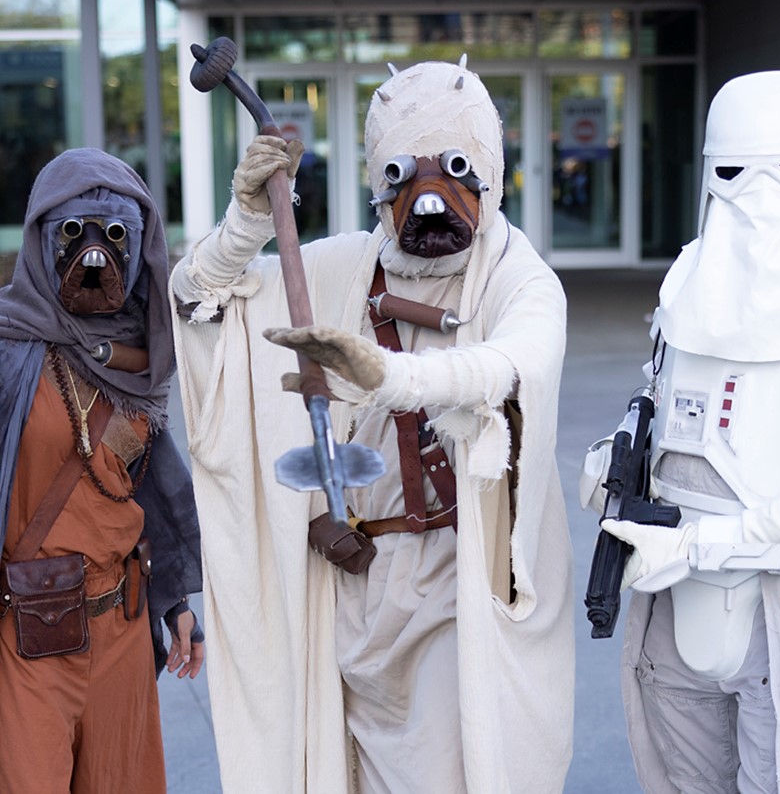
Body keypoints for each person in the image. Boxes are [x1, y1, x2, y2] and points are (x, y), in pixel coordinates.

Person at [170, 59, 573, 793]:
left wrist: (396, 378)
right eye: (403, 173)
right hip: (352, 589)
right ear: (376, 182)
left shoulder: (517, 275)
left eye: (452, 169)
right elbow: (200, 303)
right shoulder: (345, 270)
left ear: (489, 169)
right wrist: (246, 223)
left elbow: (517, 363)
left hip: (458, 588)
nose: (427, 200)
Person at [581, 70, 780, 793]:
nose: (757, 193)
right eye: (733, 171)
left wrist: (705, 543)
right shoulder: (690, 277)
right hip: (674, 610)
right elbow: (663, 400)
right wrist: (615, 457)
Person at [0, 148, 205, 794]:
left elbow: (151, 485)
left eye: (113, 235)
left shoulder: (142, 365)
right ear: (43, 242)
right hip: (26, 635)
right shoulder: (7, 349)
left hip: (119, 626)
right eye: (74, 233)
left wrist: (174, 600)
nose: (94, 254)